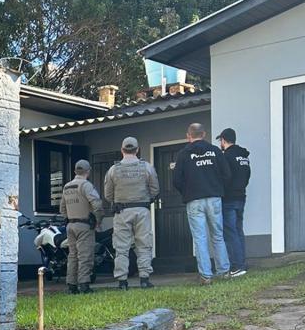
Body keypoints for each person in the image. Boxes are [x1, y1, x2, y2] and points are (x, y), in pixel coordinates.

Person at [174, 123, 232, 284]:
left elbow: (176, 180)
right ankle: (224, 271)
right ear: (204, 134)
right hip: (214, 197)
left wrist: (187, 192)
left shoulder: (184, 154)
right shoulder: (215, 151)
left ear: (188, 136)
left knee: (200, 238)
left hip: (194, 200)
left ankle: (206, 275)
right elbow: (227, 174)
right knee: (218, 235)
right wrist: (218, 188)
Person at [103, 136, 160, 290]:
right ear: (137, 149)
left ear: (122, 150)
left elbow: (108, 195)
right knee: (144, 244)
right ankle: (144, 279)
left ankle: (122, 282)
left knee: (121, 247)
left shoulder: (113, 170)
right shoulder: (147, 167)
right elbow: (155, 190)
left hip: (121, 211)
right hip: (142, 210)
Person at [60, 160, 104, 294]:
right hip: (84, 225)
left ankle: (71, 286)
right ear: (88, 171)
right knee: (85, 256)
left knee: (72, 256)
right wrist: (98, 220)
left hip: (70, 225)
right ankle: (84, 285)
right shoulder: (86, 185)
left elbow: (62, 207)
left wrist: (67, 218)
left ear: (75, 171)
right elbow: (96, 205)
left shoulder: (67, 187)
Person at [217, 127, 251, 277]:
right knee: (238, 231)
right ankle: (242, 263)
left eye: (220, 141)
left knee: (230, 233)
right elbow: (247, 176)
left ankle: (237, 266)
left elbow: (225, 176)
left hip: (229, 199)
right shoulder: (244, 156)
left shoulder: (226, 156)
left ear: (223, 140)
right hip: (241, 197)